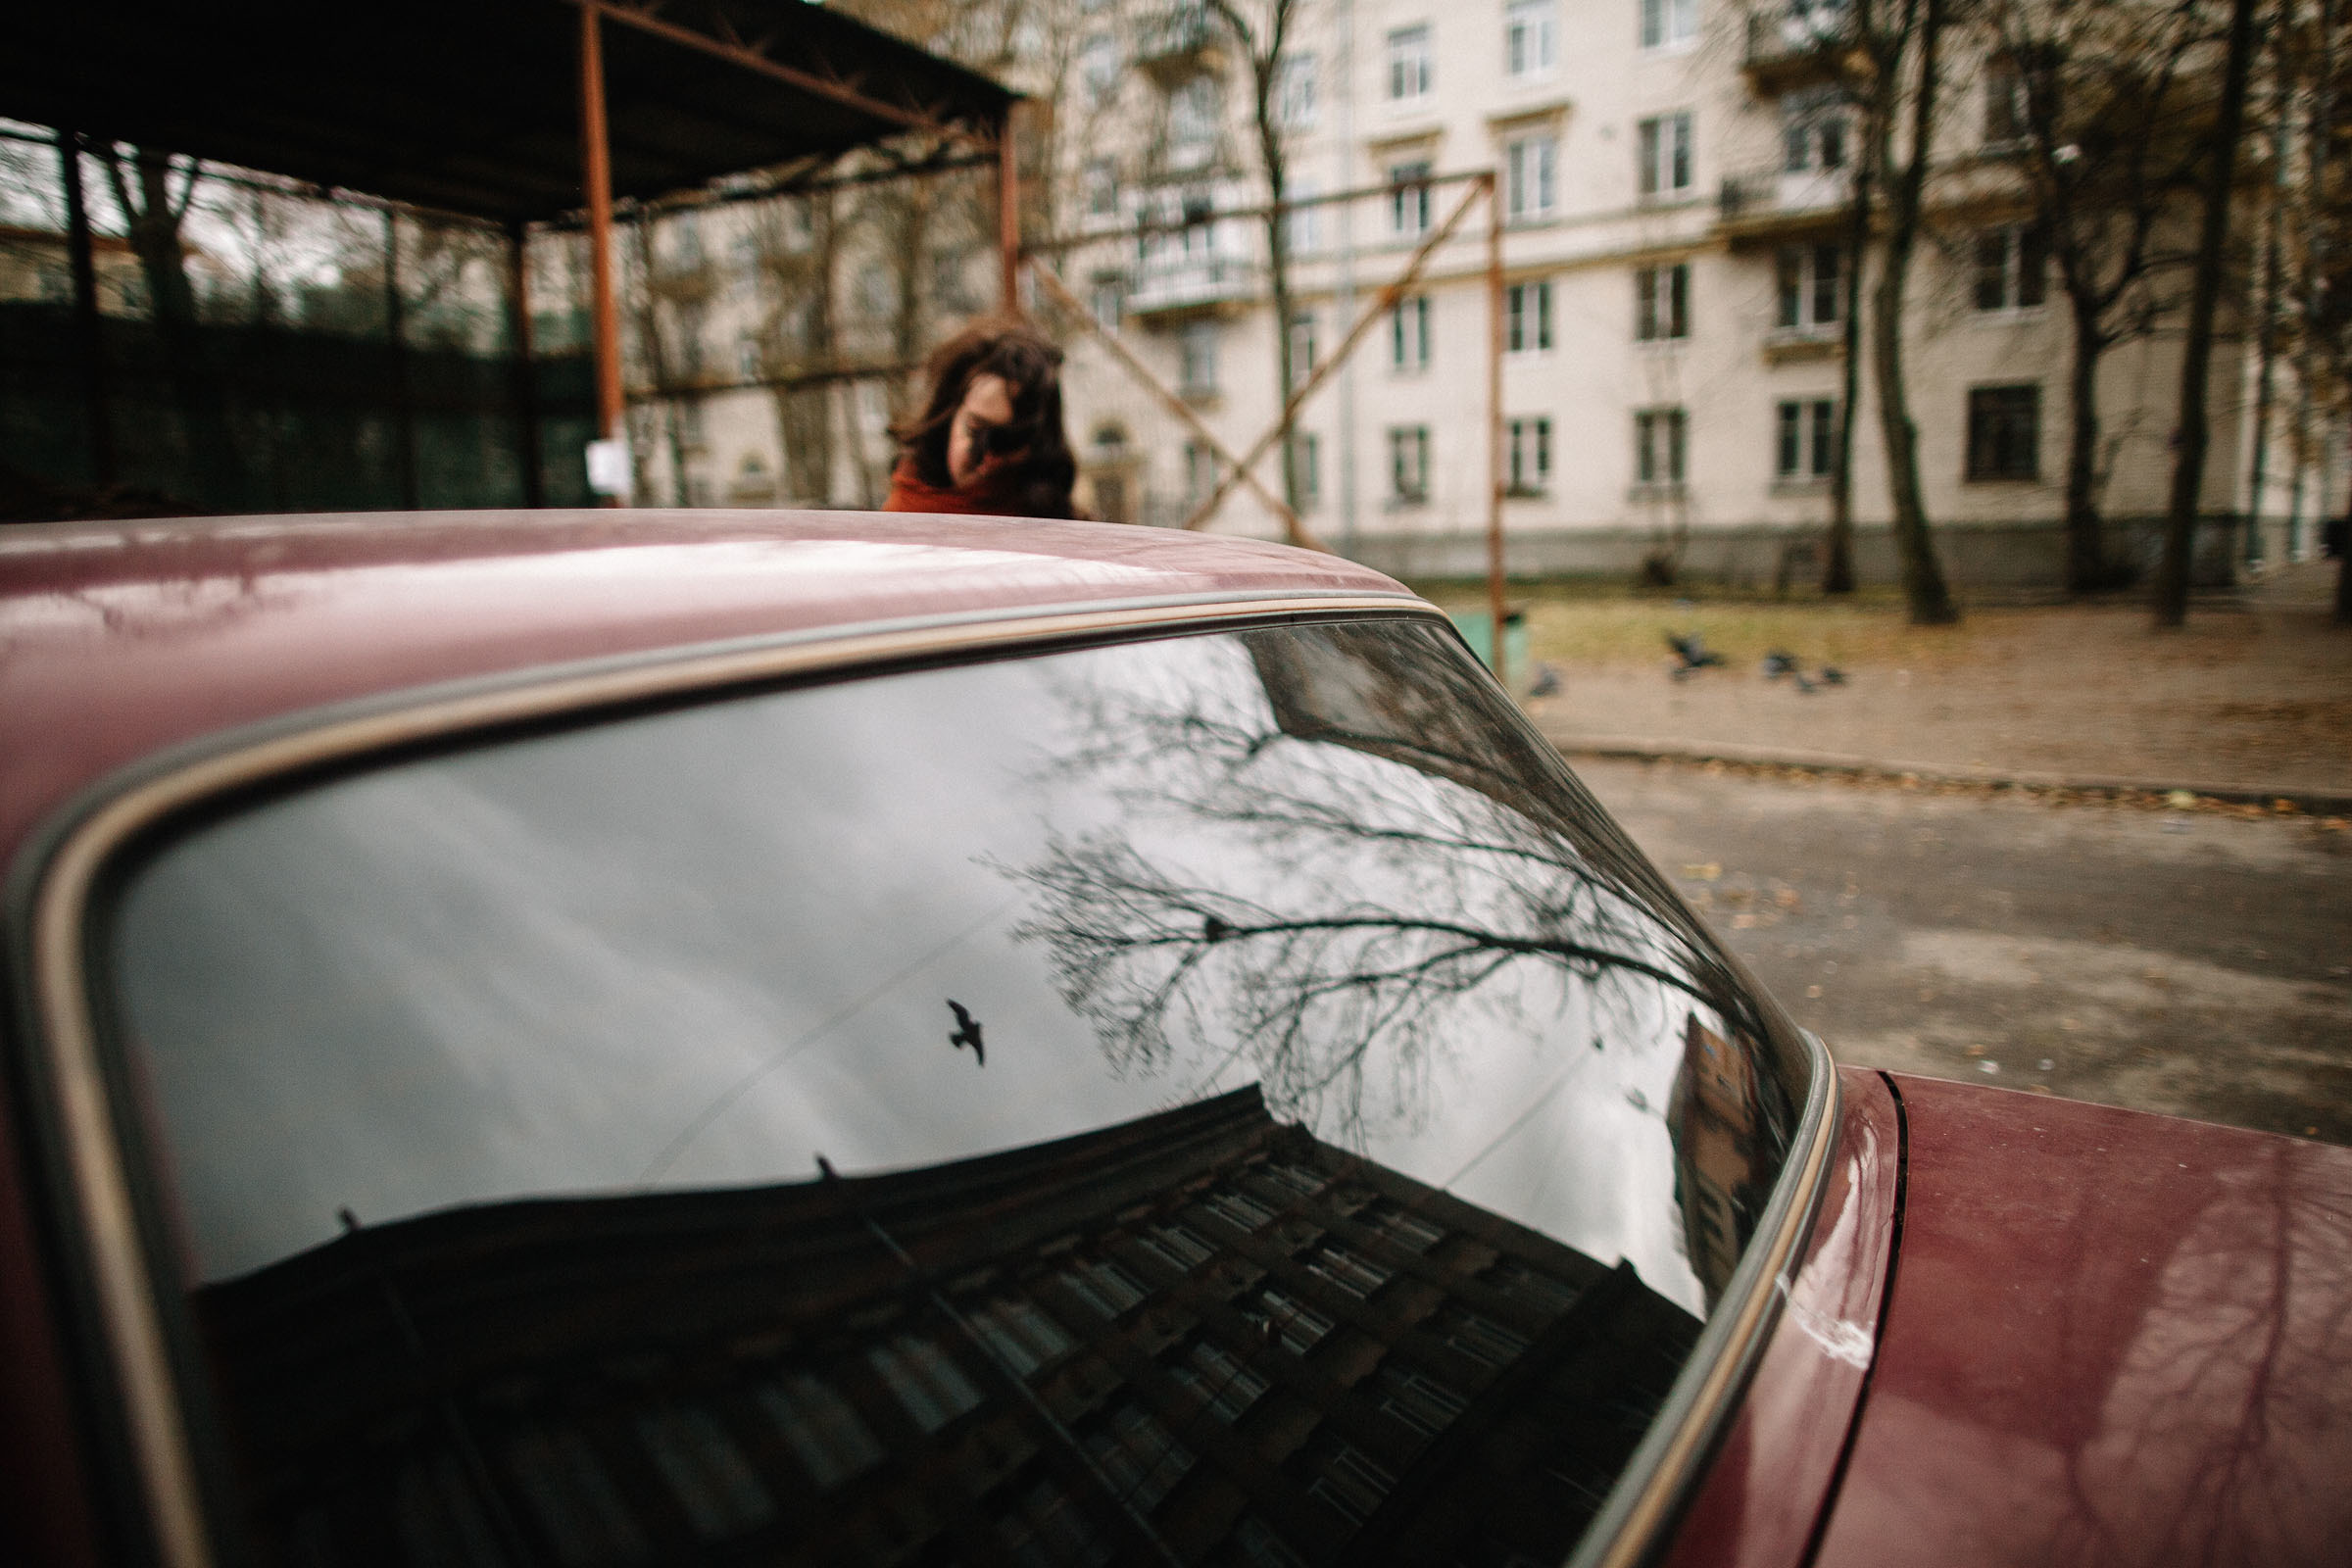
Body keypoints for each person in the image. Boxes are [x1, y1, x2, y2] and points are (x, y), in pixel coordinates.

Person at [883, 318, 1082, 518]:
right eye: (975, 429)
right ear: (949, 416)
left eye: (1009, 440)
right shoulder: (903, 513)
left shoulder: (1053, 523)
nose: (988, 458)